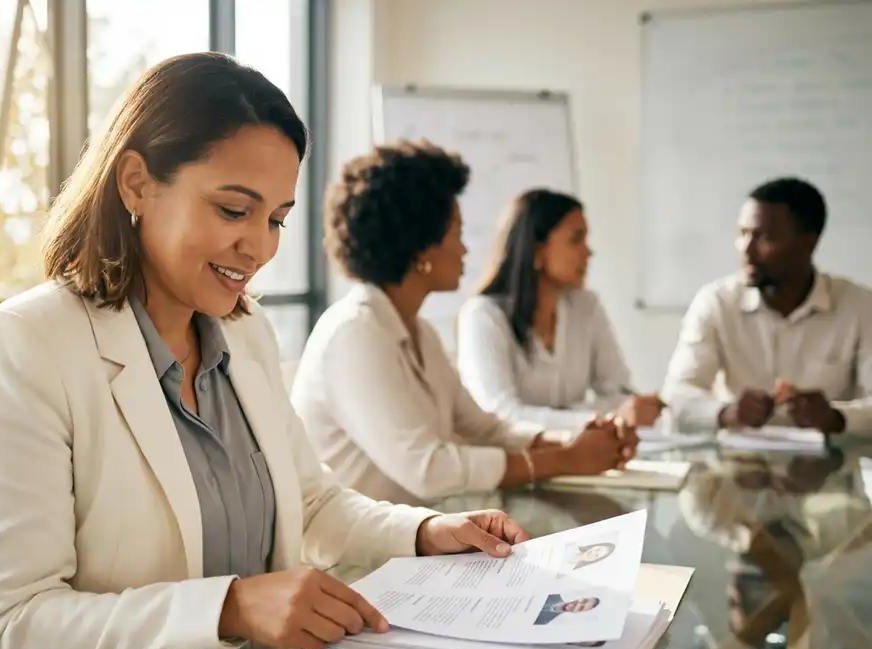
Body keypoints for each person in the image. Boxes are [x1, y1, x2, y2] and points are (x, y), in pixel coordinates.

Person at [0, 54, 532, 649]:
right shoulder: (25, 346)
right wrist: (229, 606)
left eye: (276, 219)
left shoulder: (242, 332)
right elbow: (12, 628)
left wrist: (427, 531)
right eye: (234, 210)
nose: (260, 246)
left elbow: (309, 499)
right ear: (137, 184)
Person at [290, 143, 635, 507]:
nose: (466, 250)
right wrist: (565, 460)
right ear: (422, 247)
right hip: (360, 559)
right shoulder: (355, 334)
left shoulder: (418, 332)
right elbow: (429, 470)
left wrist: (572, 442)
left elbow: (484, 429)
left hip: (419, 538)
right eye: (456, 233)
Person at [663, 177, 872, 435]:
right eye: (743, 234)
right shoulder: (717, 302)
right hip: (736, 467)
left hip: (828, 467)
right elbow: (676, 395)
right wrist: (728, 412)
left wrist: (835, 417)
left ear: (808, 242)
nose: (746, 250)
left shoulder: (859, 307)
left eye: (764, 237)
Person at [457, 189, 664, 430]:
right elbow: (500, 415)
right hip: (517, 462)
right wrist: (599, 418)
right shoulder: (483, 317)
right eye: (576, 239)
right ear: (537, 251)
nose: (588, 252)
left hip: (579, 457)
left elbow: (619, 392)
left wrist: (605, 413)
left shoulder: (586, 306)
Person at [534, 595, 601, 625]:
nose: (578, 604)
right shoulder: (553, 595)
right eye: (584, 600)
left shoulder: (546, 622)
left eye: (581, 608)